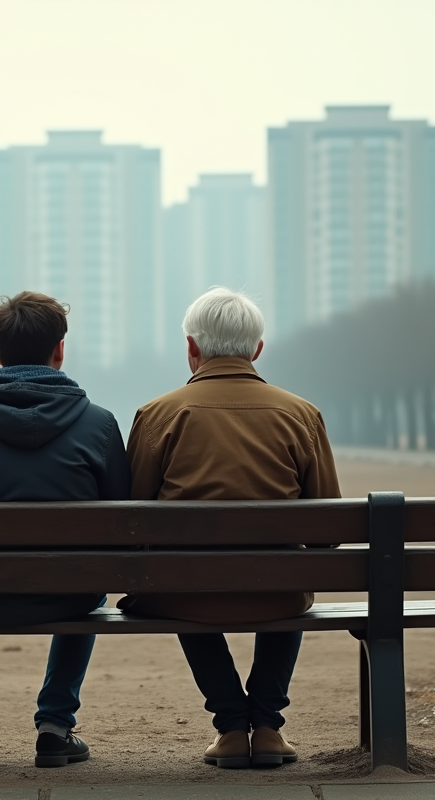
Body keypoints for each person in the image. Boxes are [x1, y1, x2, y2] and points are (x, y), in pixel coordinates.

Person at [122, 286, 341, 769]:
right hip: (278, 592)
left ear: (191, 347)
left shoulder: (157, 415)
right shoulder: (301, 414)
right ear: (257, 349)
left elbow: (132, 519)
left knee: (177, 583)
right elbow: (328, 528)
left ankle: (230, 726)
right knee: (288, 576)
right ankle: (265, 728)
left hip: (184, 593)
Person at [0, 291, 130, 770]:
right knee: (88, 586)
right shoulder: (99, 423)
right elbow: (123, 525)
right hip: (70, 594)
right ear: (60, 349)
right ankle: (55, 725)